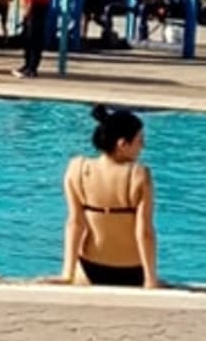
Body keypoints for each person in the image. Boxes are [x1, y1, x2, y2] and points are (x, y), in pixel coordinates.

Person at [60, 105, 158, 288]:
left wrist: (67, 273)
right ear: (122, 144)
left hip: (90, 265)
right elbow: (144, 232)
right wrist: (150, 279)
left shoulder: (76, 169)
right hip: (131, 269)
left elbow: (75, 223)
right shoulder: (139, 175)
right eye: (139, 140)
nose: (143, 146)